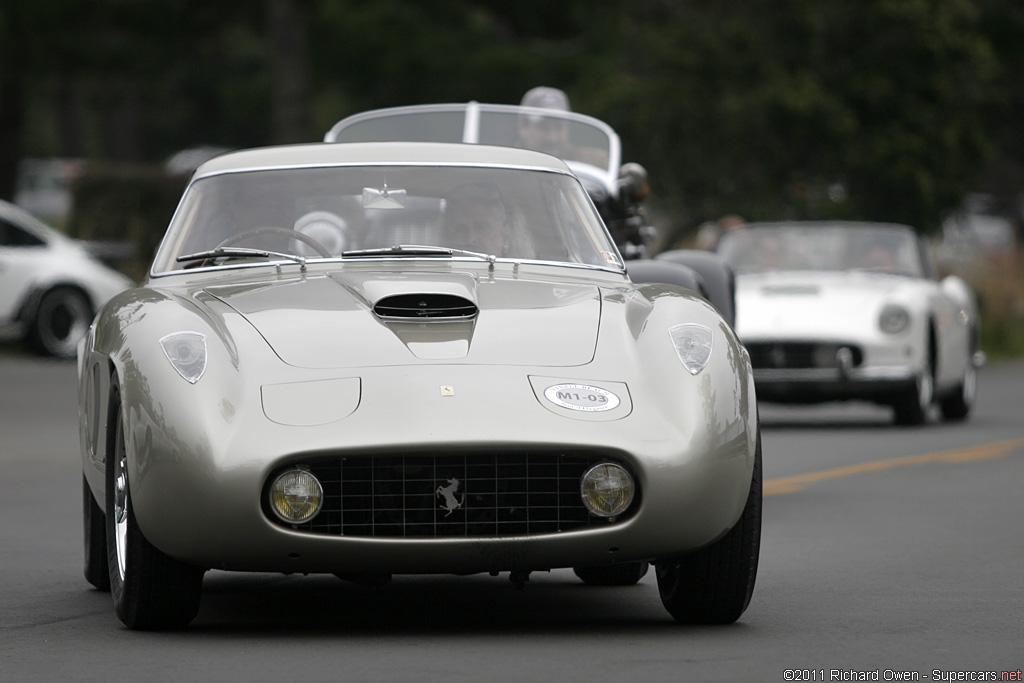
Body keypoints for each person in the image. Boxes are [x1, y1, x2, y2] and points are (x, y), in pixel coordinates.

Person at [444, 182, 511, 256]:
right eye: (460, 229)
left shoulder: (523, 267)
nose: (470, 239)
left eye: (481, 227)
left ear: (505, 234)